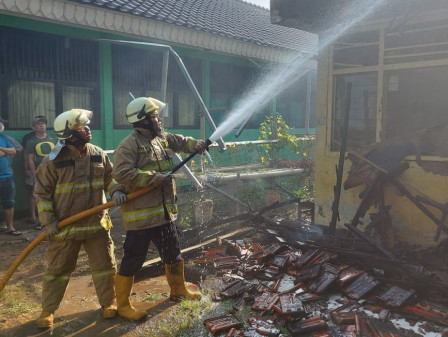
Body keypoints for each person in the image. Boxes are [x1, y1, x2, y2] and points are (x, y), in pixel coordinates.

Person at [112, 97, 207, 320]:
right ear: (143, 121)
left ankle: (178, 291)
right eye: (155, 117)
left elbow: (180, 141)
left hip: (164, 214)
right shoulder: (129, 145)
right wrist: (154, 178)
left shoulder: (161, 138)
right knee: (134, 260)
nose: (159, 120)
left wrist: (196, 144)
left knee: (173, 253)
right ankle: (124, 305)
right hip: (141, 219)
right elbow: (121, 173)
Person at [34, 109, 127, 329]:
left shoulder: (97, 153)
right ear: (70, 135)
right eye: (82, 127)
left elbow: (109, 178)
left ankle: (108, 303)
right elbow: (42, 194)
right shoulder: (52, 161)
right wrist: (48, 222)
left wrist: (115, 191)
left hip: (96, 224)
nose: (88, 130)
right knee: (57, 270)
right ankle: (48, 310)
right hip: (65, 228)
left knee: (105, 266)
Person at [25, 115, 57, 229]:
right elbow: (30, 160)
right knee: (40, 197)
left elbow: (59, 155)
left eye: (43, 123)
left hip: (54, 172)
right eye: (39, 124)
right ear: (34, 127)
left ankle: (55, 219)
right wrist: (35, 174)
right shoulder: (31, 141)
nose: (42, 125)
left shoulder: (54, 139)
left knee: (55, 195)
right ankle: (41, 221)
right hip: (40, 173)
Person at [0, 117, 19, 235]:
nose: (1, 125)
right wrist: (5, 151)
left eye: (1, 123)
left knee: (9, 202)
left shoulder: (4, 138)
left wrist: (1, 149)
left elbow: (13, 151)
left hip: (7, 176)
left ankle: (10, 227)